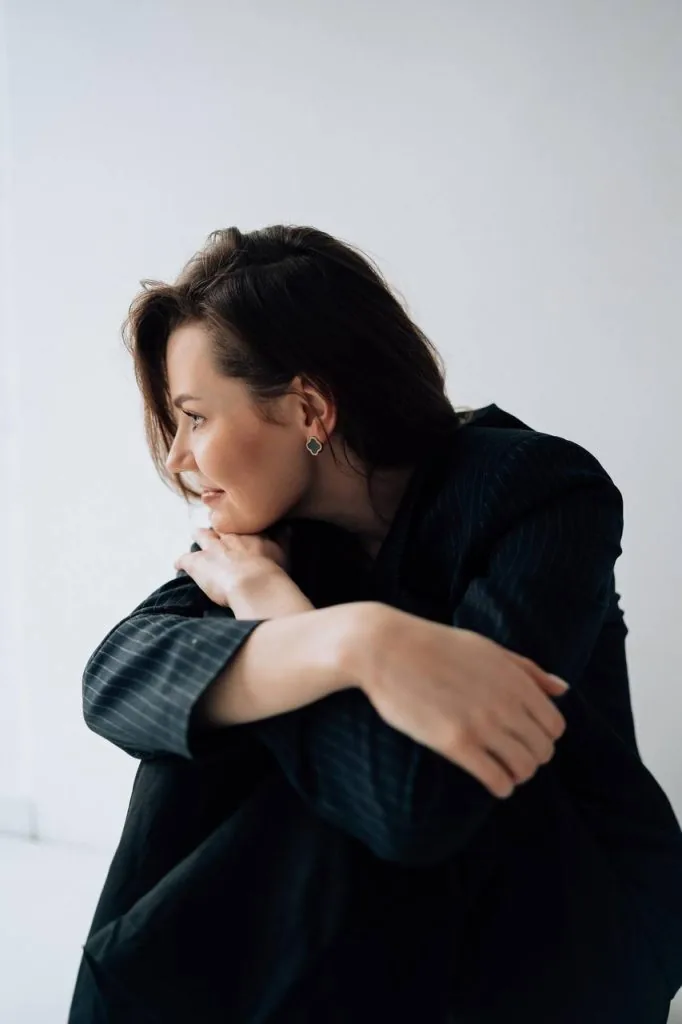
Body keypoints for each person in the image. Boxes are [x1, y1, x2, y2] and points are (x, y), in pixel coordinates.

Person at [69, 225, 682, 1023]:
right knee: (203, 727)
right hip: (395, 925)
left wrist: (286, 616)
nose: (180, 458)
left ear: (308, 408)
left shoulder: (535, 489)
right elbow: (115, 680)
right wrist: (352, 641)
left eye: (195, 417)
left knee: (263, 702)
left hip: (566, 909)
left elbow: (417, 802)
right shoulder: (262, 541)